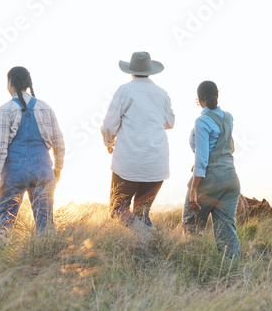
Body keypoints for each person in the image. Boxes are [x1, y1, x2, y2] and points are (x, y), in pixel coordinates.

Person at [0, 66, 64, 241]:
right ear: (28, 84)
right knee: (45, 226)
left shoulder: (5, 109)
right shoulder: (46, 108)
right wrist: (57, 168)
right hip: (43, 170)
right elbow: (59, 142)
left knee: (3, 223)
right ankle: (46, 264)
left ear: (10, 83)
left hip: (14, 172)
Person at [101, 51, 175, 227]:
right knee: (142, 213)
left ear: (131, 71)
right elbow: (170, 123)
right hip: (157, 162)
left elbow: (109, 125)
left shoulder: (124, 90)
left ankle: (146, 236)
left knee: (117, 209)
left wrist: (108, 142)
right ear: (150, 71)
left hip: (129, 161)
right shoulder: (162, 93)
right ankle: (149, 246)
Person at [183, 80, 241, 259]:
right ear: (217, 95)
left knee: (191, 223)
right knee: (226, 229)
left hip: (210, 178)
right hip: (231, 178)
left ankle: (194, 266)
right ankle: (232, 270)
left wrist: (194, 188)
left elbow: (202, 158)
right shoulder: (228, 117)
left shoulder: (202, 121)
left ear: (199, 99)